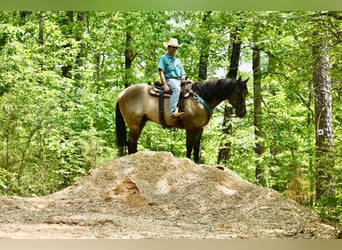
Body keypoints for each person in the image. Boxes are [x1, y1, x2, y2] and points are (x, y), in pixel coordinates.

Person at [158, 38, 186, 119]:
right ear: (168, 47)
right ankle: (172, 112)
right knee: (177, 89)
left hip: (179, 79)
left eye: (175, 48)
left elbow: (183, 73)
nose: (174, 49)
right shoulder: (163, 58)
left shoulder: (178, 61)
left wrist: (185, 79)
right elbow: (161, 72)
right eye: (172, 47)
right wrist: (165, 85)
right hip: (170, 79)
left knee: (191, 88)